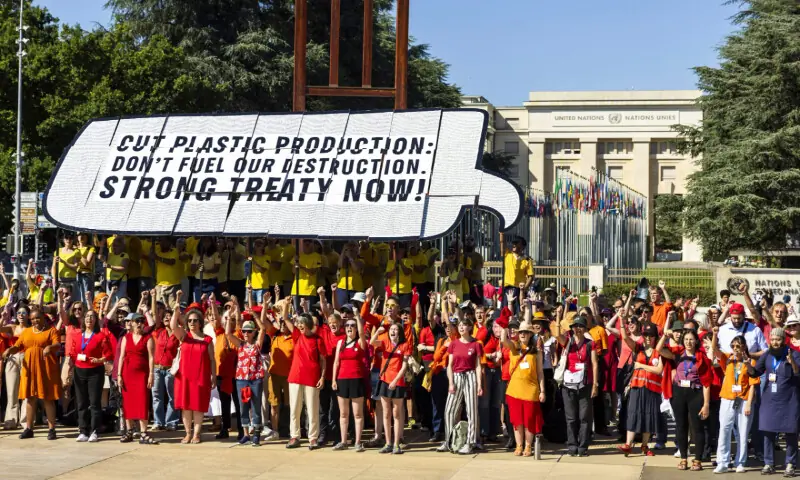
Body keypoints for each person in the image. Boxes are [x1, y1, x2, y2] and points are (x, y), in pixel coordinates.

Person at [2, 308, 62, 440]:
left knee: (47, 398)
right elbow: (18, 346)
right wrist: (9, 350)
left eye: (37, 318)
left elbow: (58, 344)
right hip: (29, 368)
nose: (35, 320)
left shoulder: (51, 330)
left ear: (43, 318)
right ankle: (29, 428)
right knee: (29, 398)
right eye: (33, 318)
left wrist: (49, 347)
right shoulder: (27, 332)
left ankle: (51, 429)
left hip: (45, 367)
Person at [748, 327, 800, 476]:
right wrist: (747, 364)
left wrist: (793, 363)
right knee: (768, 431)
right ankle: (768, 463)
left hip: (790, 400)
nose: (775, 342)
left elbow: (798, 373)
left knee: (791, 433)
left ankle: (790, 463)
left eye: (778, 339)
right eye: (773, 339)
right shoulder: (767, 355)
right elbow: (756, 372)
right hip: (770, 399)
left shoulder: (794, 354)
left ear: (783, 340)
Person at [661, 327, 712, 471]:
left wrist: (706, 404)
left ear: (696, 341)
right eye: (686, 339)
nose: (689, 342)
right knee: (681, 427)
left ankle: (697, 459)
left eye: (691, 339)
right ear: (682, 341)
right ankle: (684, 457)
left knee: (697, 428)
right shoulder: (677, 354)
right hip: (678, 393)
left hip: (695, 394)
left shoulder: (702, 358)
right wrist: (664, 337)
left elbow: (707, 383)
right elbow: (659, 350)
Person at [711, 329, 758, 474]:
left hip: (743, 400)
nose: (736, 349)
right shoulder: (728, 359)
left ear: (744, 347)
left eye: (739, 346)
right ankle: (723, 462)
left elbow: (753, 383)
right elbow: (714, 350)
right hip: (728, 398)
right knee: (724, 429)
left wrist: (749, 403)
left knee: (743, 432)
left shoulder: (751, 361)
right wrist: (714, 334)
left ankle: (740, 462)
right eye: (733, 346)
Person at [171, 297, 216, 444]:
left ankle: (196, 434)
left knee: (198, 406)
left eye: (195, 320)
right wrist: (176, 312)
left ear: (200, 322)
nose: (192, 323)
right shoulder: (184, 336)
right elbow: (173, 326)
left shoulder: (207, 340)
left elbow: (212, 360)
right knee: (185, 406)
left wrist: (213, 376)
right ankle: (188, 433)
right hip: (184, 376)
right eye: (189, 320)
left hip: (201, 376)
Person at [617, 322, 666, 457]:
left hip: (653, 389)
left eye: (651, 335)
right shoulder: (638, 348)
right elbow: (625, 338)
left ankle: (645, 446)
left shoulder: (659, 351)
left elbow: (659, 370)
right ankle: (628, 444)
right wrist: (622, 320)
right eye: (646, 335)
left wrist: (641, 366)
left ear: (655, 337)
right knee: (633, 414)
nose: (648, 338)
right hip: (637, 388)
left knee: (649, 416)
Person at [554, 312, 598, 457]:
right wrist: (559, 317)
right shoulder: (568, 342)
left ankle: (583, 446)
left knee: (584, 418)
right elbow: (556, 334)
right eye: (575, 326)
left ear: (585, 328)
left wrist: (595, 385)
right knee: (571, 418)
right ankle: (572, 446)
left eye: (580, 326)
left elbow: (594, 364)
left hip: (585, 383)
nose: (577, 329)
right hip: (569, 384)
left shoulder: (590, 344)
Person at [437, 317, 483, 455]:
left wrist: (479, 384)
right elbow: (449, 365)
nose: (462, 327)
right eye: (460, 325)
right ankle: (449, 440)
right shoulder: (454, 344)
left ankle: (471, 442)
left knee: (471, 410)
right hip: (456, 376)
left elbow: (478, 366)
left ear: (470, 328)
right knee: (449, 410)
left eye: (465, 325)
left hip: (470, 376)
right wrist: (450, 382)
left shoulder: (476, 344)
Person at [283, 302, 325, 450]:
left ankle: (313, 438)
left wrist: (322, 377)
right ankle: (294, 436)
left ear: (308, 324)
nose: (299, 326)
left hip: (312, 377)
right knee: (294, 408)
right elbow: (285, 319)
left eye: (302, 323)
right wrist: (287, 305)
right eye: (299, 323)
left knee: (312, 409)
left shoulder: (317, 340)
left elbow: (323, 360)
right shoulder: (296, 336)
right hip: (295, 377)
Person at [501, 320, 545, 457]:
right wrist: (504, 324)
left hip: (530, 391)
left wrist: (542, 390)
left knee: (529, 421)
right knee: (517, 421)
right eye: (521, 332)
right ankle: (519, 445)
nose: (522, 334)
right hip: (514, 390)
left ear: (531, 334)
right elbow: (503, 340)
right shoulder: (514, 347)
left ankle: (528, 445)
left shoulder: (536, 352)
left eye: (526, 332)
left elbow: (540, 373)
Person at [69, 308, 113, 442]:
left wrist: (100, 360)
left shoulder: (101, 336)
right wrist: (71, 368)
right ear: (83, 320)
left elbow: (109, 353)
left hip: (95, 371)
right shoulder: (78, 336)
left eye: (92, 317)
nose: (89, 319)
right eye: (87, 316)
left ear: (96, 320)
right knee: (81, 402)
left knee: (94, 403)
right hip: (79, 371)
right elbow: (72, 353)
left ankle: (94, 430)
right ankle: (83, 430)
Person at [225, 310, 268, 446]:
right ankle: (245, 434)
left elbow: (263, 328)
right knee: (244, 406)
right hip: (242, 379)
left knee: (256, 406)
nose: (246, 333)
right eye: (244, 331)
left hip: (255, 379)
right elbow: (227, 334)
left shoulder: (257, 345)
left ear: (253, 332)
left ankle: (256, 434)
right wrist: (229, 318)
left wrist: (254, 315)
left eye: (249, 331)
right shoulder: (241, 344)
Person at [117, 312, 158, 445]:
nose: (140, 323)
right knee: (128, 403)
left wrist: (151, 374)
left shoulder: (148, 337)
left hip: (142, 375)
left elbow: (151, 357)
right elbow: (121, 357)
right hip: (127, 374)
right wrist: (119, 375)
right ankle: (129, 431)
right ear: (132, 323)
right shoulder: (126, 338)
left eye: (142, 321)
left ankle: (143, 433)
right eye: (137, 321)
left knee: (142, 402)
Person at [332, 302, 367, 451]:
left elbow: (362, 333)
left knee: (357, 413)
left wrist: (358, 317)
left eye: (352, 326)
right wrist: (334, 379)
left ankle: (358, 441)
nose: (349, 328)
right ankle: (344, 440)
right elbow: (336, 362)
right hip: (342, 379)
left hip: (356, 379)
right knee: (344, 413)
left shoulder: (360, 342)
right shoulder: (340, 342)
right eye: (347, 326)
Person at [502, 236, 533, 313]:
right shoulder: (507, 254)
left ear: (522, 246)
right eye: (513, 243)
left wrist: (524, 288)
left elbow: (531, 276)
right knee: (506, 312)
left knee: (519, 312)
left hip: (520, 290)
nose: (514, 245)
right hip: (508, 288)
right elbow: (502, 242)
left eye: (516, 242)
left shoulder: (527, 260)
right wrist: (502, 232)